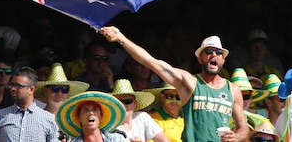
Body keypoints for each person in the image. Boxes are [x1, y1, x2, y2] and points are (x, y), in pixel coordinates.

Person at [99, 26, 251, 142]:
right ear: (200, 58)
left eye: (218, 53)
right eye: (209, 51)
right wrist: (121, 39)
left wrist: (236, 137)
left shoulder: (233, 90)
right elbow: (151, 62)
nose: (214, 55)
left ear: (223, 60)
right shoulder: (189, 82)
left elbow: (244, 128)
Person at [0, 66, 58, 142]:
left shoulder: (48, 119)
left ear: (31, 89)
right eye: (12, 85)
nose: (13, 89)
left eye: (18, 86)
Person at [54, 91, 128, 142]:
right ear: (78, 117)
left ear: (101, 116)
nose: (91, 113)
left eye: (95, 109)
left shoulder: (118, 140)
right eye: (86, 110)